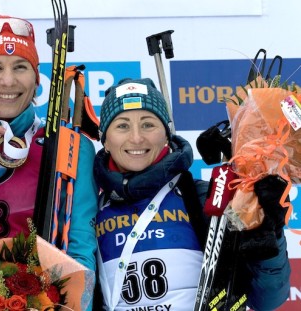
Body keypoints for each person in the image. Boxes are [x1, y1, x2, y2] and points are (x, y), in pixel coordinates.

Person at [93, 78, 291, 310]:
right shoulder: (89, 208)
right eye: (122, 126)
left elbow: (268, 300)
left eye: (148, 124)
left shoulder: (206, 198)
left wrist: (268, 233)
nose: (137, 138)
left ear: (166, 134)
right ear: (105, 139)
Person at [0, 15, 98, 278]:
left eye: (20, 67)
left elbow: (81, 250)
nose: (8, 81)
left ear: (37, 79)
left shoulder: (68, 145)